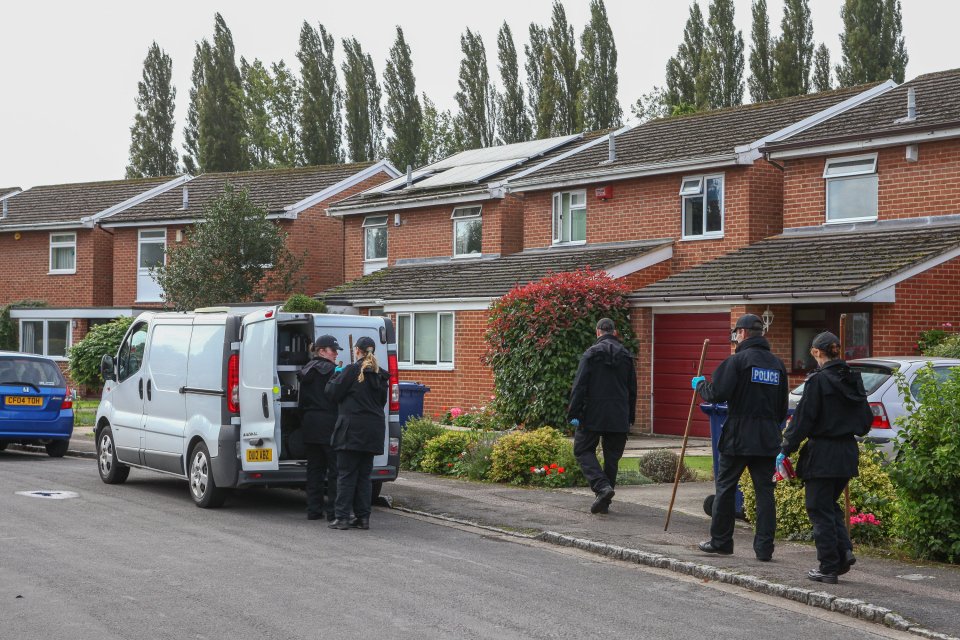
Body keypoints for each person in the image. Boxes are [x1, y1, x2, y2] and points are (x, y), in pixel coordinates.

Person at [692, 313, 788, 561]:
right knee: (765, 492)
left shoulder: (737, 362)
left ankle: (721, 542)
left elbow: (717, 393)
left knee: (725, 488)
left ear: (743, 333)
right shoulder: (777, 365)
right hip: (767, 438)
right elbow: (782, 407)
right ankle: (764, 548)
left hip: (738, 437)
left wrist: (700, 385)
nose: (735, 338)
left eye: (736, 333)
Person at [780, 331, 872, 584]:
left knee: (818, 508)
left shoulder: (818, 381)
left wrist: (786, 448)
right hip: (846, 454)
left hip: (822, 454)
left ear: (816, 352)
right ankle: (843, 553)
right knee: (829, 505)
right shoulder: (853, 380)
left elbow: (802, 420)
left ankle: (828, 566)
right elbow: (865, 423)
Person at [568, 318, 637, 514]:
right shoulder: (626, 356)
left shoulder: (590, 354)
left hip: (592, 414)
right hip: (619, 415)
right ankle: (604, 502)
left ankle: (602, 488)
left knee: (582, 450)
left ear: (598, 332)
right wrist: (630, 416)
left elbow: (579, 386)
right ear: (614, 332)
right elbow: (633, 390)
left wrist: (574, 413)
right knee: (612, 458)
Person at [325, 336, 389, 530]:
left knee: (346, 475)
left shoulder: (351, 370)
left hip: (351, 430)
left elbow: (331, 393)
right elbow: (381, 402)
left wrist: (336, 375)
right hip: (373, 430)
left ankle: (342, 517)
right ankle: (363, 518)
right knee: (364, 476)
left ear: (357, 352)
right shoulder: (380, 374)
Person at [298, 335, 342, 522]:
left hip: (310, 423)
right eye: (333, 350)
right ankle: (332, 511)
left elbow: (301, 403)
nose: (336, 353)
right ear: (322, 351)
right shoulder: (334, 371)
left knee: (314, 470)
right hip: (330, 423)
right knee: (334, 470)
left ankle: (313, 510)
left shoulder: (305, 371)